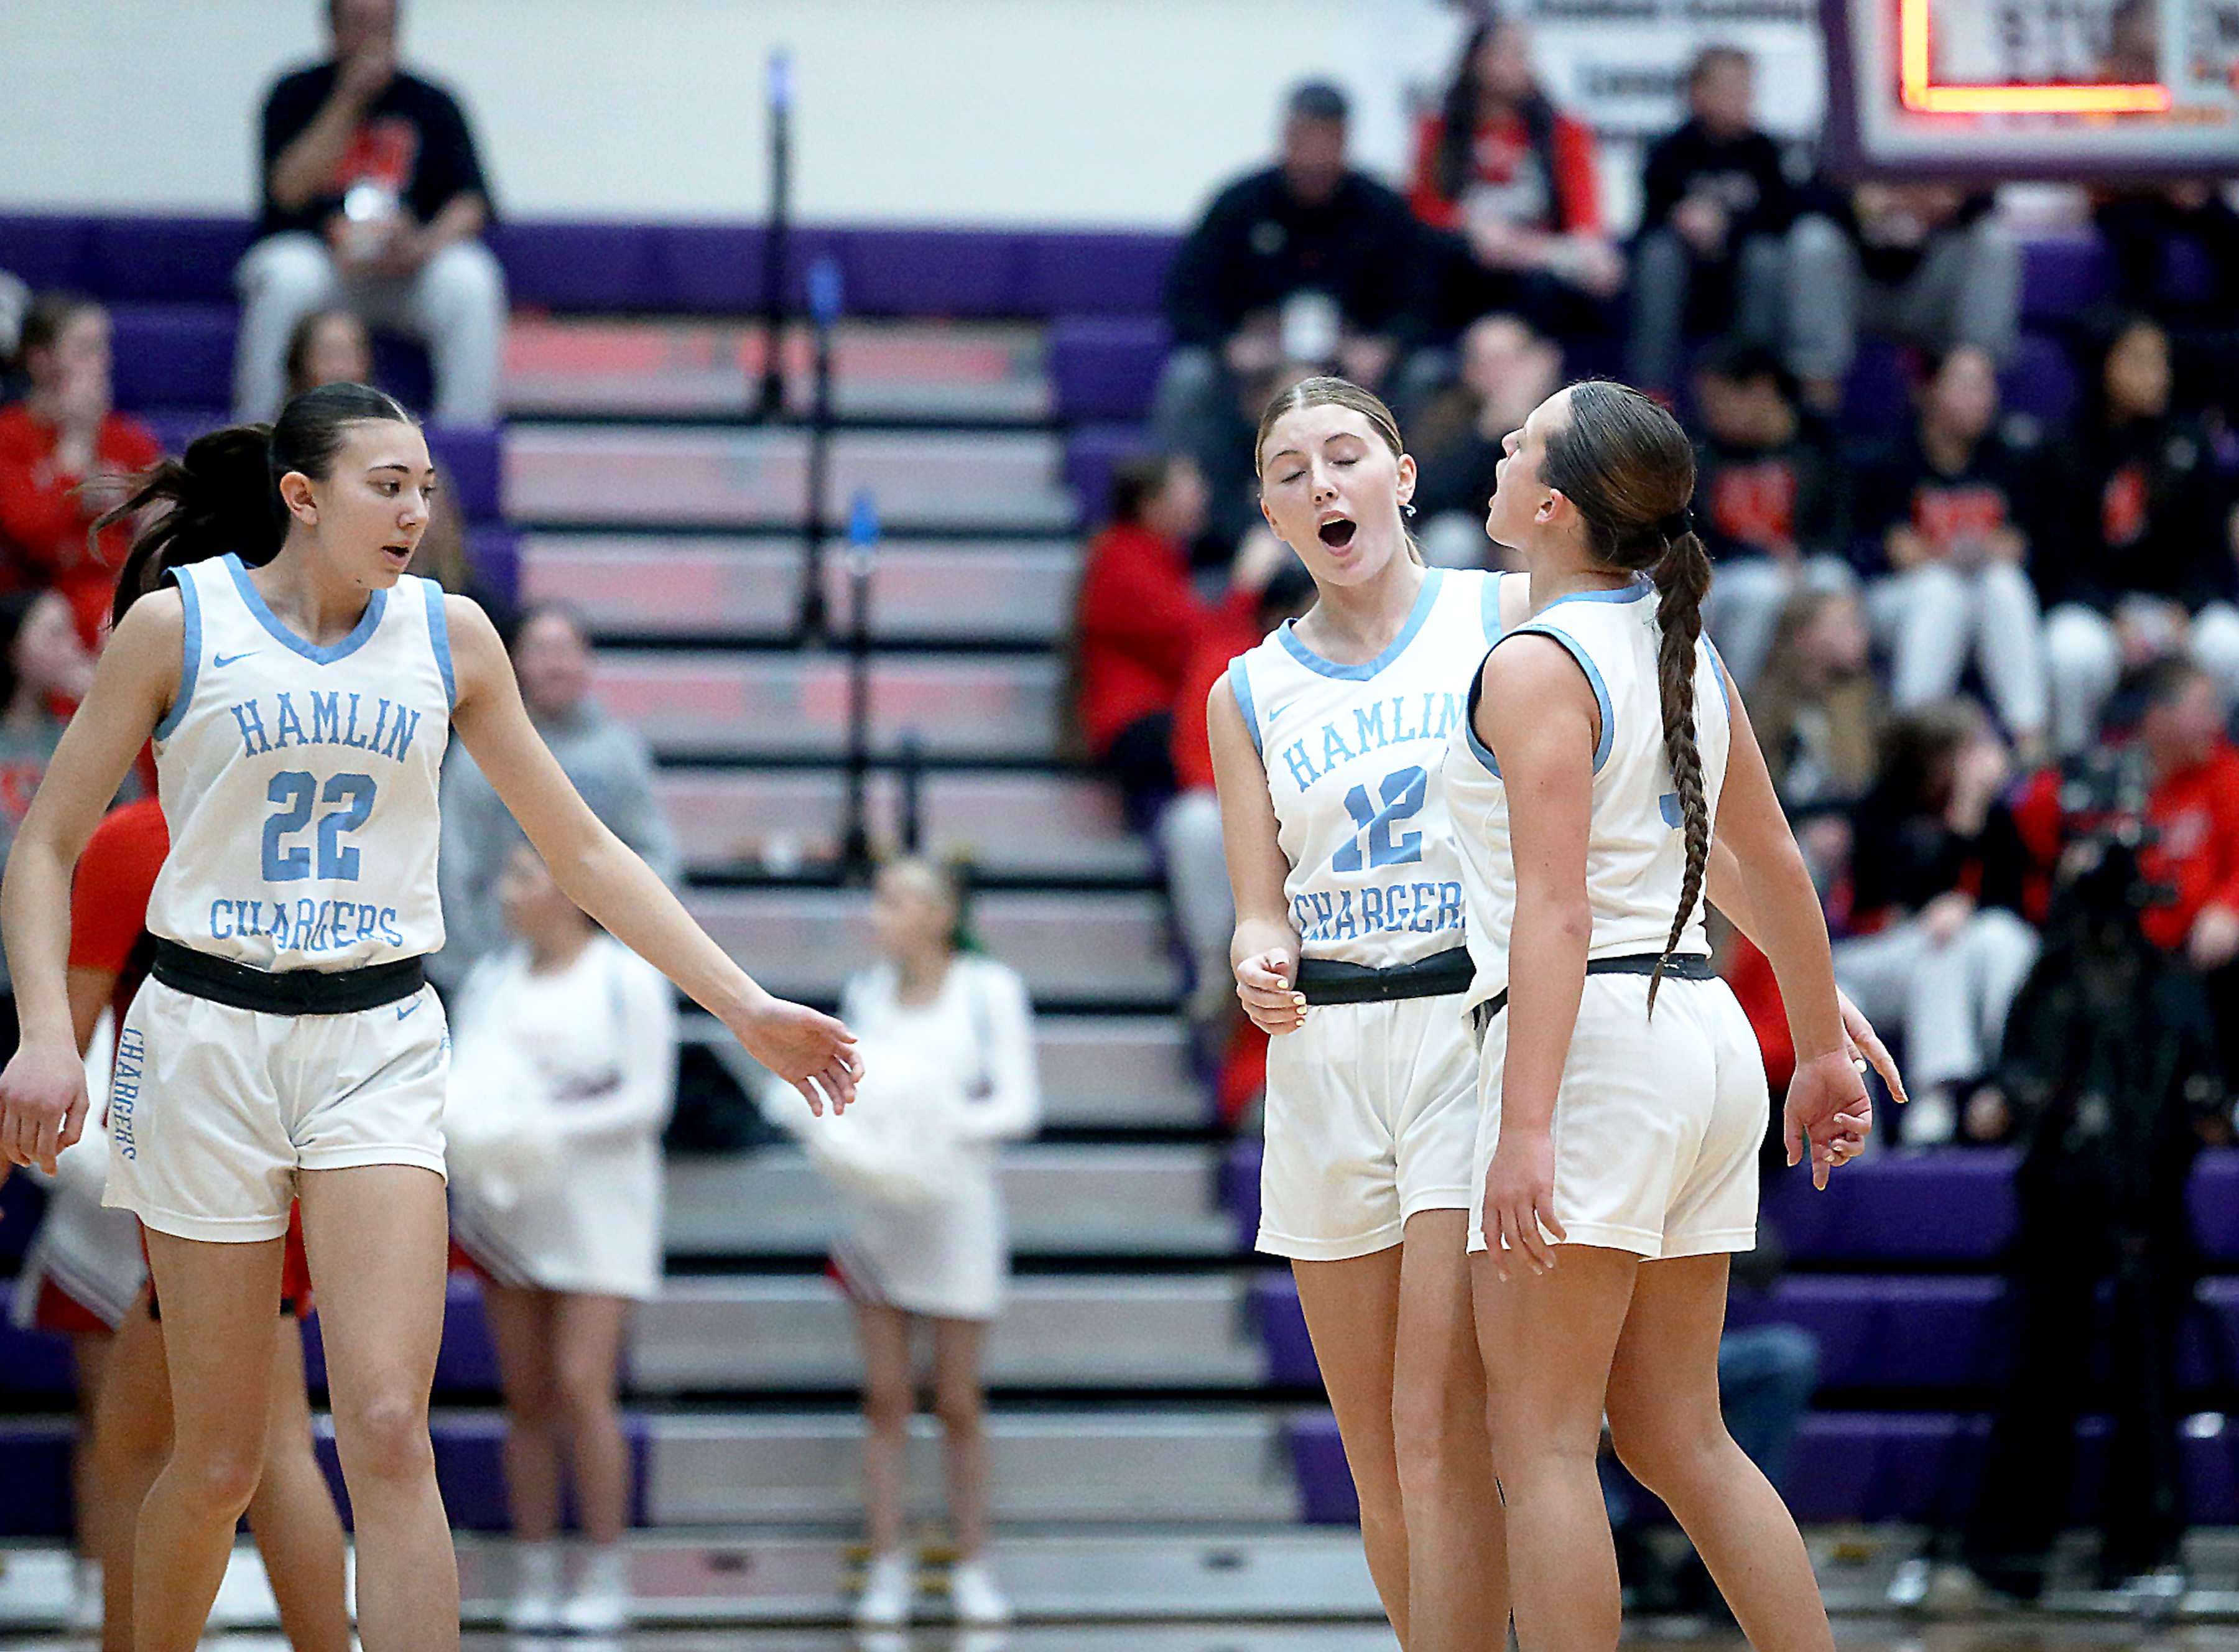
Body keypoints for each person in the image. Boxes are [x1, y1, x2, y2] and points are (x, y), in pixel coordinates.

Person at [0, 381, 858, 1652]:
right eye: (385, 485)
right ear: (303, 495)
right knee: (222, 1455)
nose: (414, 510)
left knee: (392, 1430)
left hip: (379, 1037)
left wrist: (740, 1003)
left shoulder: (451, 635)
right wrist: (43, 1032)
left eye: (426, 488)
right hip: (205, 1041)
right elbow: (48, 844)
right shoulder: (176, 629)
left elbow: (583, 847)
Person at [1444, 378, 1876, 1652]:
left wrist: (1525, 1127)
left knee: (1540, 1447)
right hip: (1703, 1043)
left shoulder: (1534, 661)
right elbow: (1772, 865)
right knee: (1682, 1433)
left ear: (1553, 503)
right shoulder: (1672, 639)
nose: (1504, 444)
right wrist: (1821, 1035)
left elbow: (1561, 914)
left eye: (1524, 440)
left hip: (1597, 1049)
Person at [40, 794, 350, 1652]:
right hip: (292, 1133)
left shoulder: (138, 837)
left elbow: (60, 1039)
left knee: (270, 1449)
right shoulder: (319, 816)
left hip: (207, 1156)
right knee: (137, 1434)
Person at [447, 843, 676, 1634]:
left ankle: (608, 1571)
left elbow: (646, 1103)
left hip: (603, 1211)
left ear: (570, 892)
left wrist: (537, 1123)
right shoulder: (490, 981)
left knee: (584, 1385)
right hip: (514, 1211)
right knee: (528, 1397)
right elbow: (466, 1085)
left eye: (522, 877)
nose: (507, 893)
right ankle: (537, 1570)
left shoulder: (626, 978)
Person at [827, 857, 1040, 1630]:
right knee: (884, 1398)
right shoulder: (865, 993)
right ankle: (886, 1562)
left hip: (958, 1209)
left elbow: (1018, 1105)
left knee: (957, 1401)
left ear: (941, 913)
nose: (880, 912)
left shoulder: (991, 991)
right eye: (880, 898)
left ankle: (972, 1564)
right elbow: (849, 1097)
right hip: (878, 1214)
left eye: (898, 900)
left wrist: (933, 1126)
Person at [234, 0, 507, 425]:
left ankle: (465, 439)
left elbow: (472, 201)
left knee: (471, 280)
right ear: (333, 29)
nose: (374, 39)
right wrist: (348, 100)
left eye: (386, 25)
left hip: (405, 272)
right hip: (326, 267)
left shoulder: (434, 101)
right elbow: (286, 191)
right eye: (360, 24)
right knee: (283, 278)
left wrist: (421, 245)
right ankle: (256, 436)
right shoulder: (293, 93)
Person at [1155, 83, 1425, 488]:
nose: (1315, 155)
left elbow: (1422, 299)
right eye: (1305, 139)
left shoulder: (1381, 210)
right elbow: (1188, 296)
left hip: (1354, 368)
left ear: (1345, 141)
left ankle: (1399, 500)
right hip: (1256, 366)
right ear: (1285, 137)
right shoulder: (1239, 205)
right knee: (1188, 377)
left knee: (1427, 375)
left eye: (1328, 140)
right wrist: (1229, 343)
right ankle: (1195, 510)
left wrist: (1385, 344)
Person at [2013, 657, 2239, 1077]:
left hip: (2198, 950)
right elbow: (2034, 826)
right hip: (2115, 946)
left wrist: (2229, 908)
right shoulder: (2107, 774)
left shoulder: (2227, 773)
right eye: (2203, 707)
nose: (2216, 720)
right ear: (2159, 717)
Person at [435, 605, 680, 989]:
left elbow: (656, 856)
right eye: (541, 652)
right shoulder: (478, 753)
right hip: (494, 965)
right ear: (513, 663)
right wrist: (473, 968)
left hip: (599, 968)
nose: (556, 666)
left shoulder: (620, 753)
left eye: (566, 651)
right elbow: (453, 867)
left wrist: (615, 953)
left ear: (588, 662)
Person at [1835, 701, 2036, 1145]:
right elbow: (1904, 896)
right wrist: (1963, 820)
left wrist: (1972, 817)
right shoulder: (1880, 811)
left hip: (1940, 958)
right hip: (1873, 955)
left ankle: (1940, 1101)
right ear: (1935, 758)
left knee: (1961, 945)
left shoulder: (1993, 814)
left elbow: (2010, 899)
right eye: (1971, 750)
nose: (1984, 760)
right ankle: (1899, 1112)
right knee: (1938, 943)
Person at [2037, 314, 2239, 754]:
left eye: (2162, 361)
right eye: (2142, 361)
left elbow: (2209, 548)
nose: (2159, 375)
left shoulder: (2189, 440)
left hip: (2174, 610)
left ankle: (2218, 777)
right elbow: (2057, 559)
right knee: (2071, 652)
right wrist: (2111, 614)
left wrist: (2186, 607)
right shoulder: (2067, 444)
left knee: (2230, 642)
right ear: (2107, 366)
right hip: (2100, 612)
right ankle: (2073, 767)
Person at [1855, 345, 2052, 758]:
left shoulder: (2007, 456)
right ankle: (1915, 742)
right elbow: (1899, 554)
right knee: (1942, 589)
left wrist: (1944, 552)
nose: (1983, 397)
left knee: (2004, 582)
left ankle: (2029, 735)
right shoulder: (1894, 455)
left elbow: (2017, 547)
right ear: (1929, 391)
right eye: (1967, 384)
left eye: (1987, 385)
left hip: (1975, 593)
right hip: (1894, 600)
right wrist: (1967, 553)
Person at [1407, 17, 1623, 345]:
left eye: (1525, 55)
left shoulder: (1562, 129)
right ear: (1476, 61)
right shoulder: (1440, 126)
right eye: (1508, 54)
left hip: (1538, 260)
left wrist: (1539, 249)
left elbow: (1584, 213)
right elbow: (1423, 207)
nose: (1521, 65)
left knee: (1577, 277)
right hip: (1465, 257)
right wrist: (1472, 228)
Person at [1071, 453, 1240, 832]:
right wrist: (1247, 587)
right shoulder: (1122, 561)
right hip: (1136, 724)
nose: (1201, 496)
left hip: (1162, 714)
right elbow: (1198, 647)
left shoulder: (1158, 557)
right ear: (1151, 503)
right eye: (1188, 487)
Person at [1626, 47, 1796, 401]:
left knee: (1766, 258)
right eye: (1729, 89)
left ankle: (1748, 382)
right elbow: (1646, 225)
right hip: (1684, 268)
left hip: (1741, 268)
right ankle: (1651, 393)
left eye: (1746, 89)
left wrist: (1726, 226)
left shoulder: (1764, 151)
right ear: (1697, 94)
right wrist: (1681, 219)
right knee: (1658, 256)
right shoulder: (1669, 150)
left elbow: (1780, 218)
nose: (1742, 99)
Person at [0, 294, 164, 645]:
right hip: (38, 596)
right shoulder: (9, 435)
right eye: (86, 349)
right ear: (41, 361)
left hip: (114, 590)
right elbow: (36, 542)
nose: (103, 362)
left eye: (104, 348)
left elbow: (161, 535)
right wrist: (75, 449)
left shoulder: (128, 437)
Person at [1781, 184, 2019, 416]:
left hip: (1931, 292)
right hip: (1856, 293)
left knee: (1993, 239)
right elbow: (1801, 199)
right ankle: (1817, 416)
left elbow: (1988, 199)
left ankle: (1965, 408)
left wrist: (1953, 202)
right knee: (1814, 238)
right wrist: (1856, 202)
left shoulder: (1949, 146)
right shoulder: (1848, 150)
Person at [1407, 313, 1563, 570]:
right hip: (1476, 543)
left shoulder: (1568, 415)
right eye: (1482, 362)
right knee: (1454, 538)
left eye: (1504, 360)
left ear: (1538, 362)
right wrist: (1488, 433)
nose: (1495, 372)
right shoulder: (1444, 416)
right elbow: (1428, 500)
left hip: (1546, 530)